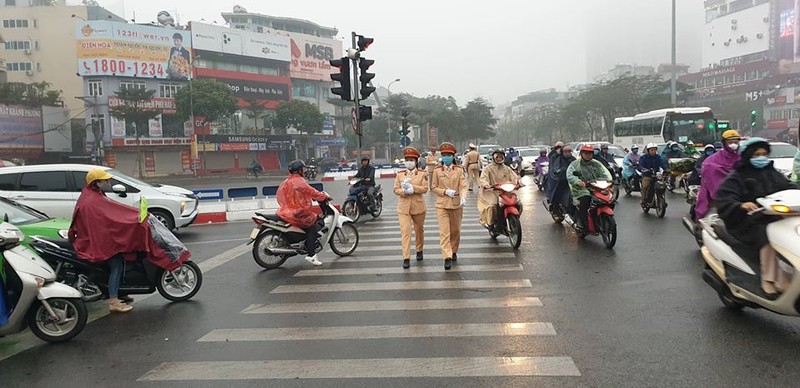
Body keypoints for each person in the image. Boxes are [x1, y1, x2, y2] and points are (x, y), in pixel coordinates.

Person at [69, 169, 186, 313]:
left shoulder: (94, 195)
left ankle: (120, 292)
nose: (109, 183)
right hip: (96, 242)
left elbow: (114, 211)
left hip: (96, 239)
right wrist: (131, 220)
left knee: (122, 260)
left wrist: (133, 214)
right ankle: (114, 301)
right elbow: (109, 218)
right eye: (106, 181)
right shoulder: (92, 201)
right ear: (97, 183)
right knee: (116, 265)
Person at [716, 138, 798, 294]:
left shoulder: (773, 173)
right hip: (747, 221)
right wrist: (740, 205)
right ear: (748, 156)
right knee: (768, 237)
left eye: (764, 154)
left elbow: (789, 187)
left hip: (775, 217)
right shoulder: (737, 176)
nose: (761, 158)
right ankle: (769, 280)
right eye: (757, 154)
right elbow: (724, 198)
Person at [276, 160, 332, 266]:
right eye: (303, 169)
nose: (305, 170)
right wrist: (323, 196)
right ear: (299, 170)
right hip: (297, 213)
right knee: (313, 226)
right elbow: (310, 191)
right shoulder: (298, 181)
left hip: (285, 211)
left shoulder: (287, 181)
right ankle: (311, 255)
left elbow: (281, 197)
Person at [431, 142, 467, 270]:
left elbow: (463, 185)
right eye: (444, 155)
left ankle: (454, 250)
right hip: (442, 204)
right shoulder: (436, 171)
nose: (446, 157)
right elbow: (433, 187)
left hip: (456, 204)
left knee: (455, 231)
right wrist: (444, 191)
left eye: (448, 155)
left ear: (453, 156)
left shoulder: (459, 170)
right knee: (444, 232)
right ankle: (447, 256)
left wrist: (463, 196)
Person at [394, 147, 429, 269]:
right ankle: (406, 257)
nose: (408, 162)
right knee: (406, 231)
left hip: (418, 206)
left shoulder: (422, 174)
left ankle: (419, 249)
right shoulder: (400, 175)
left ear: (415, 161)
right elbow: (395, 189)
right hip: (403, 208)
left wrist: (413, 188)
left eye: (411, 160)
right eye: (407, 159)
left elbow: (425, 189)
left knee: (419, 230)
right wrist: (404, 191)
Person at [695, 130, 741, 219]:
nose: (733, 144)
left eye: (736, 142)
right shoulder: (711, 161)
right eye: (730, 142)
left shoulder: (743, 158)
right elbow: (712, 183)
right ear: (724, 143)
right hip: (718, 201)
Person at [567, 145, 613, 231]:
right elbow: (570, 175)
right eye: (586, 153)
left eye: (590, 153)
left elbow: (604, 172)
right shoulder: (575, 164)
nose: (588, 155)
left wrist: (609, 180)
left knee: (607, 197)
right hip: (580, 188)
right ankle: (582, 222)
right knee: (586, 199)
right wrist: (578, 181)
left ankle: (602, 219)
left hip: (595, 186)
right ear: (581, 154)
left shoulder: (596, 163)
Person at [478, 148, 519, 230]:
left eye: (501, 157)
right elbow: (483, 178)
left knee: (518, 203)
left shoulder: (507, 168)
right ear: (494, 158)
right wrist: (486, 185)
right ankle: (491, 223)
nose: (499, 159)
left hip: (506, 191)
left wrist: (518, 182)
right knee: (493, 206)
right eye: (497, 157)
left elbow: (514, 177)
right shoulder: (488, 168)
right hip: (492, 192)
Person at [545, 144, 577, 212]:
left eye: (569, 151)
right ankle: (556, 205)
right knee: (558, 190)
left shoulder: (573, 159)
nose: (567, 153)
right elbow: (555, 169)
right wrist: (561, 171)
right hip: (561, 180)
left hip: (573, 180)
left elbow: (578, 166)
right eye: (565, 151)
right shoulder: (557, 159)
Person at [637, 143, 668, 208]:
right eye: (652, 150)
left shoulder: (658, 157)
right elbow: (640, 165)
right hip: (647, 175)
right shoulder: (644, 157)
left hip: (656, 175)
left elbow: (662, 164)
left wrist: (666, 169)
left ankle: (660, 197)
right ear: (648, 150)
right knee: (645, 186)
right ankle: (644, 200)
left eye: (654, 150)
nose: (653, 151)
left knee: (662, 185)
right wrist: (643, 169)